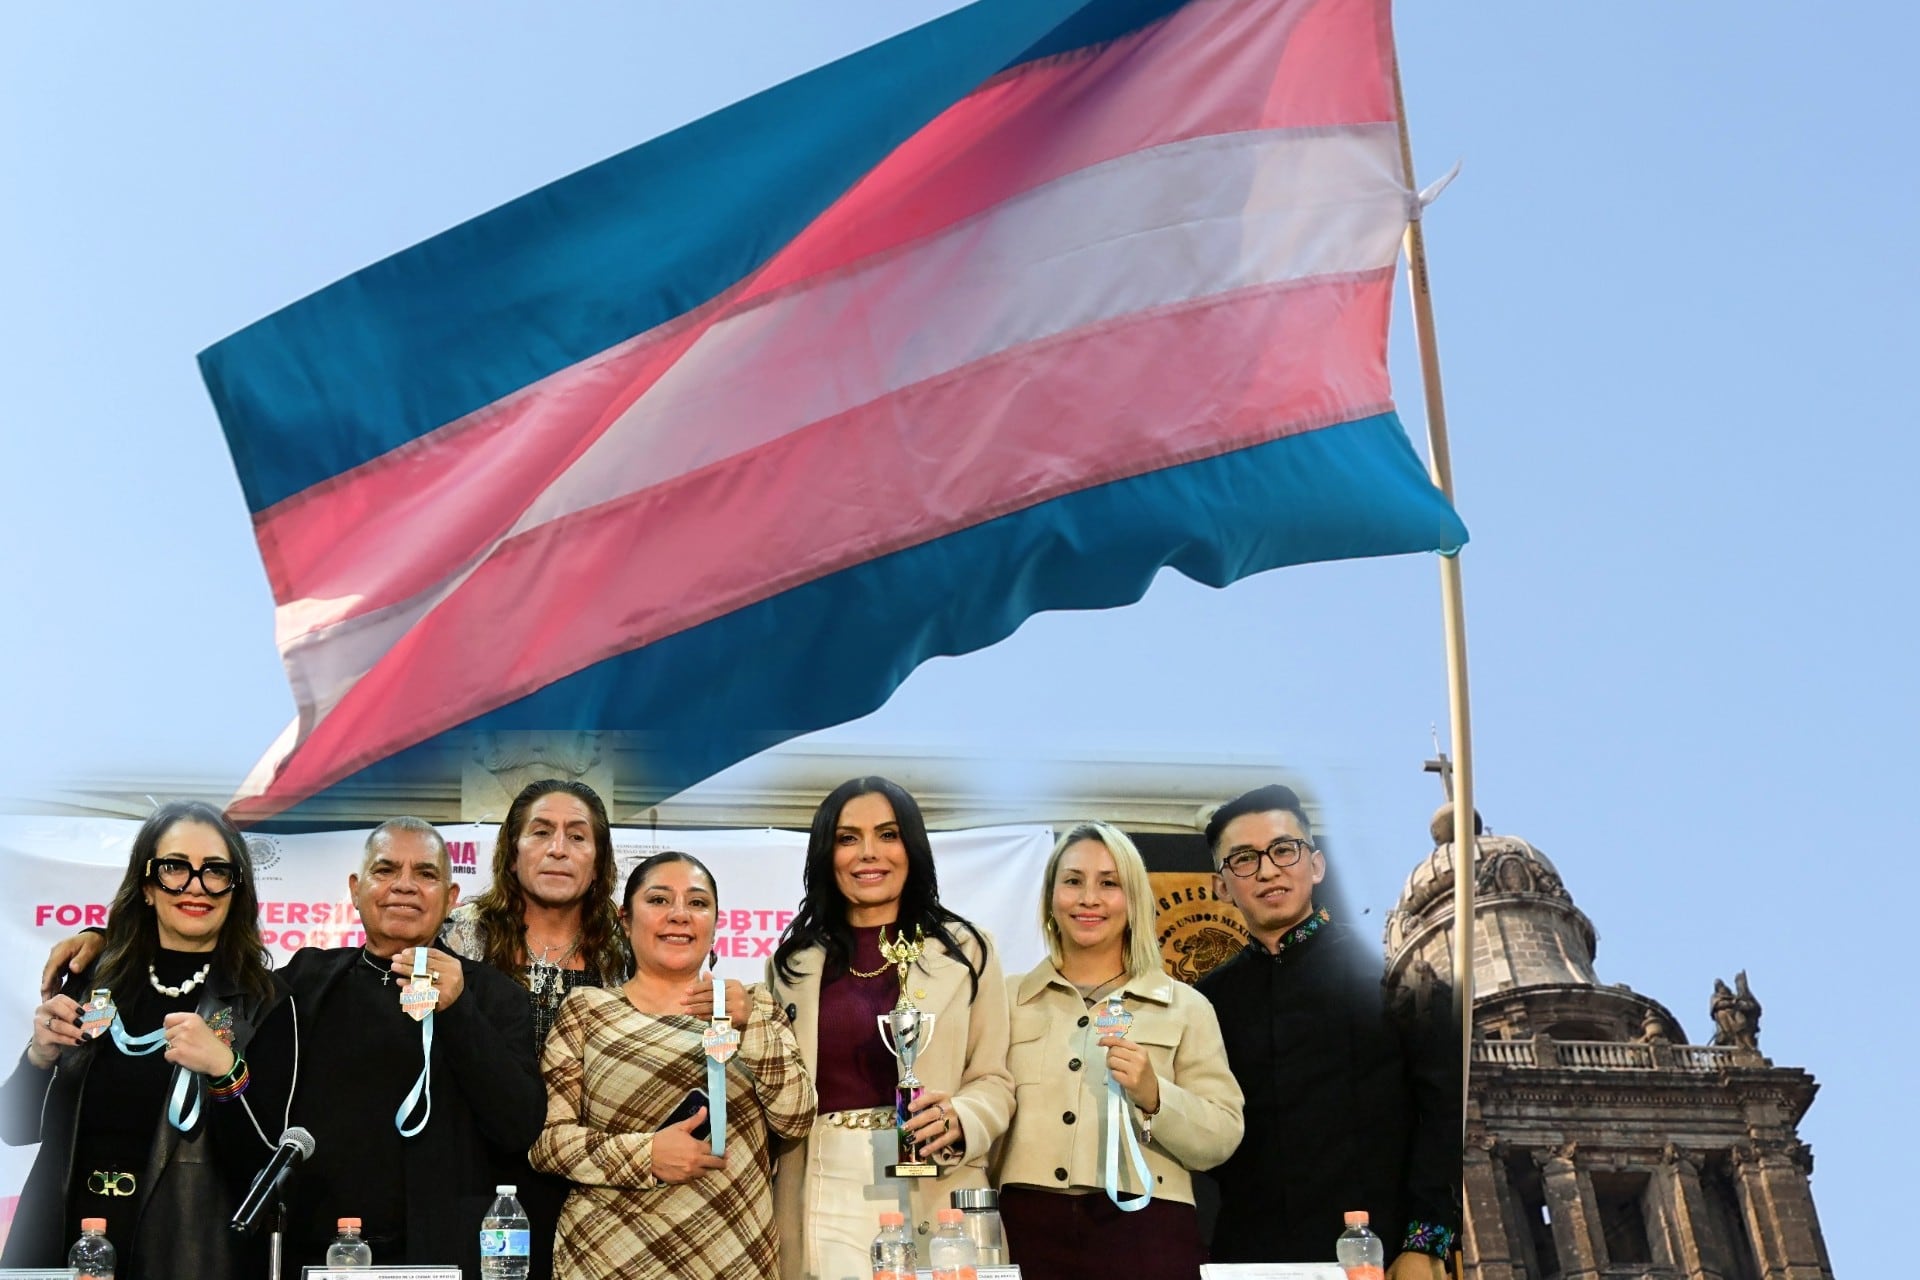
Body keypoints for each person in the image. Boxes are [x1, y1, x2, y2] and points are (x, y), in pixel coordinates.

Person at [2, 801, 288, 1277]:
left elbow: (268, 1171)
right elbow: (15, 1130)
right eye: (175, 867)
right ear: (147, 886)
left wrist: (225, 1072)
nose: (195, 886)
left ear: (236, 889)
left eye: (216, 870)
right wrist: (39, 1056)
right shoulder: (93, 977)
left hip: (181, 1255)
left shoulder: (263, 1000)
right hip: (61, 1245)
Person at [1196, 785, 1460, 1275]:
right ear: (1221, 886)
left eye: (1283, 850)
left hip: (1383, 1251)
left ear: (1315, 866)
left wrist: (1425, 1243)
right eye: (1244, 859)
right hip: (1252, 1260)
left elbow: (1447, 1113)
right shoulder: (1205, 1003)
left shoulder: (1397, 972)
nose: (1268, 870)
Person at [765, 776, 1014, 1280]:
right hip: (822, 1184)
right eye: (848, 838)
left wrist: (961, 1117)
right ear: (827, 854)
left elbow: (995, 1080)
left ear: (912, 847)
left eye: (888, 834)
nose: (869, 853)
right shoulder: (790, 964)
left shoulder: (968, 951)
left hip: (939, 1183)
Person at [273, 816, 546, 1272]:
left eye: (425, 873)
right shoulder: (305, 981)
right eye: (385, 870)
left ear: (451, 898)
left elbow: (518, 1128)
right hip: (321, 1251)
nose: (404, 885)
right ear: (356, 889)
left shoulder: (495, 995)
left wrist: (458, 1010)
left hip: (442, 1254)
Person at [531, 852, 815, 1279]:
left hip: (733, 1257)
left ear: (716, 924)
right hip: (608, 1259)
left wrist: (750, 1026)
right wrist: (645, 1155)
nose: (679, 915)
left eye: (697, 903)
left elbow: (795, 1120)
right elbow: (548, 1144)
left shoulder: (755, 1006)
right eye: (659, 900)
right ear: (626, 920)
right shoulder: (588, 1010)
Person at [996, 822, 1243, 1279]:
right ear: (1050, 897)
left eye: (1109, 884)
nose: (1089, 898)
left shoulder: (1187, 1006)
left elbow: (1221, 1137)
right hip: (1024, 1227)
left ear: (1134, 901)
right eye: (1073, 881)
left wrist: (1156, 1096)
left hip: (1148, 1228)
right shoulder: (1005, 1000)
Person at [440, 778, 631, 1045]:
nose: (558, 850)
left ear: (598, 864)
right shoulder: (457, 935)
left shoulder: (625, 950)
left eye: (577, 837)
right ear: (513, 855)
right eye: (541, 833)